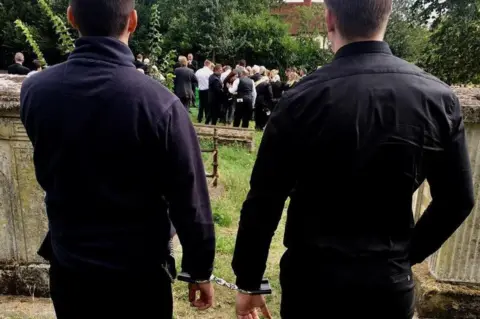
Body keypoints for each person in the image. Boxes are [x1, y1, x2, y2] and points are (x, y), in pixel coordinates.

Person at [232, 0, 475, 318]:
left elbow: (264, 202)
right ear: (387, 16)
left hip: (313, 285)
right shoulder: (438, 99)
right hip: (388, 284)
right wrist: (405, 256)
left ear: (329, 19)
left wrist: (249, 282)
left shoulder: (299, 100)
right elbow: (457, 199)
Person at [20, 1, 215, 318]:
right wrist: (199, 268)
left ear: (71, 17)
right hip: (138, 276)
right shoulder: (158, 104)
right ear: (133, 21)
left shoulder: (35, 90)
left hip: (70, 267)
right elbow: (189, 198)